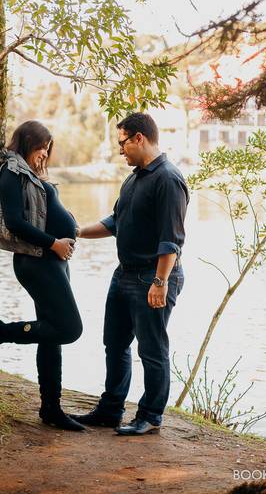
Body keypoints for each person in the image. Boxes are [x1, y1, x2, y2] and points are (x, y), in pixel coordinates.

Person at [71, 112, 189, 436]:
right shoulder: (133, 178)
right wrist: (77, 231)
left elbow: (171, 240)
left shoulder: (169, 179)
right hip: (124, 275)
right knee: (115, 344)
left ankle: (150, 416)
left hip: (154, 277)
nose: (120, 150)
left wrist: (160, 282)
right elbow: (114, 222)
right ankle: (111, 409)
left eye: (122, 142)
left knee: (152, 350)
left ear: (139, 138)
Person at [0, 120, 85, 431]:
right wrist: (54, 242)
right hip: (36, 262)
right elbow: (13, 221)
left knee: (51, 336)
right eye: (42, 147)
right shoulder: (11, 172)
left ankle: (51, 408)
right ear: (28, 143)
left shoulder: (30, 175)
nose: (45, 154)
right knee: (69, 329)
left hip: (54, 262)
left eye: (48, 149)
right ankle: (0, 332)